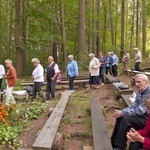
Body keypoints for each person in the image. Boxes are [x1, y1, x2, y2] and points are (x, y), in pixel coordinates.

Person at [111, 74, 150, 150]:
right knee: (120, 117)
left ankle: (119, 147)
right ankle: (114, 142)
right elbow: (135, 105)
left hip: (146, 119)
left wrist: (123, 113)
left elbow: (140, 110)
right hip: (142, 116)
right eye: (136, 82)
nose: (136, 84)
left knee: (126, 119)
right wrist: (122, 111)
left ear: (146, 82)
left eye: (139, 82)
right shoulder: (140, 90)